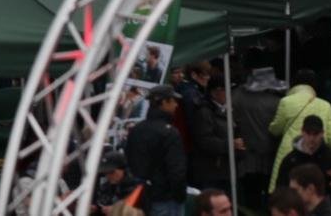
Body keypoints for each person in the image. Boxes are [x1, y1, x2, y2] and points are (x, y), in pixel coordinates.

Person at [235, 49, 288, 207]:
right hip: (270, 155)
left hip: (246, 157)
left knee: (250, 197)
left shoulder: (236, 95)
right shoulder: (278, 101)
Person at [270, 70, 331, 190]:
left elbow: (275, 130)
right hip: (317, 154)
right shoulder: (325, 105)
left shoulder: (286, 101)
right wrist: (325, 148)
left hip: (290, 153)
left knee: (288, 189)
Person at [126, 85, 188, 216]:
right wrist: (180, 196)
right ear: (164, 102)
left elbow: (130, 163)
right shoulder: (170, 133)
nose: (176, 105)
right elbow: (176, 171)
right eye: (173, 101)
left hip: (142, 198)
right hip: (167, 200)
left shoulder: (136, 130)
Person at [190, 75, 242, 189]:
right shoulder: (204, 112)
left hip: (228, 167)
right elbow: (204, 141)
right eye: (225, 90)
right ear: (214, 93)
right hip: (212, 170)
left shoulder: (231, 109)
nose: (230, 93)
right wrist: (231, 144)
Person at [278, 115, 331, 186]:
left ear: (322, 133)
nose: (311, 138)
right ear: (302, 132)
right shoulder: (290, 160)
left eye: (315, 134)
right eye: (308, 133)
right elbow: (281, 188)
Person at [94, 151, 145, 216]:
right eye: (105, 172)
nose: (108, 176)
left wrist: (116, 210)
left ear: (122, 169)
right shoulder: (105, 187)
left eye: (111, 172)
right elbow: (101, 203)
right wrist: (96, 208)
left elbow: (140, 210)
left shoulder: (136, 187)